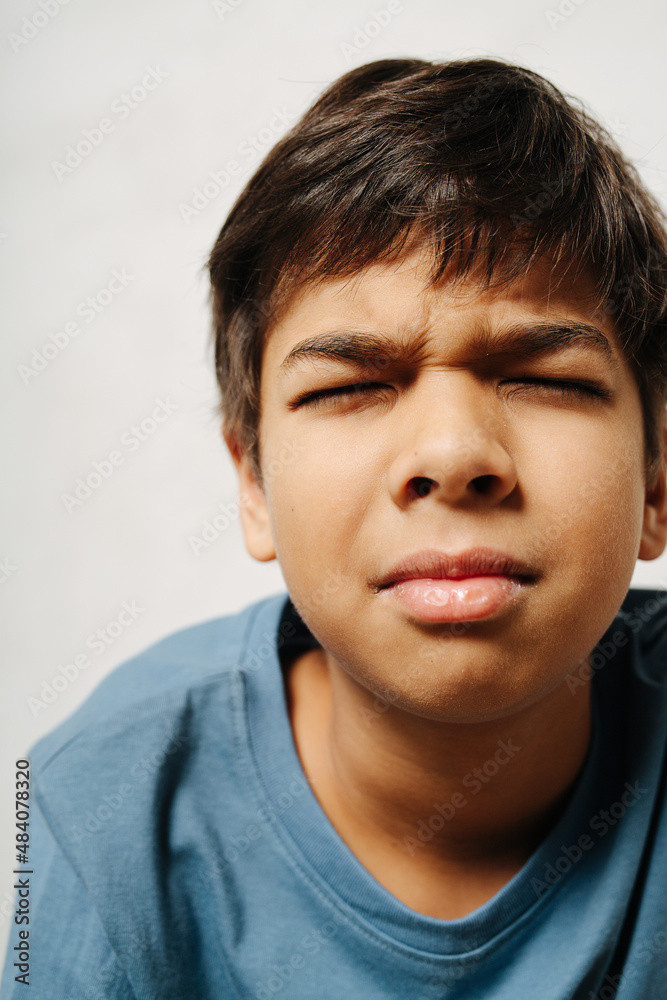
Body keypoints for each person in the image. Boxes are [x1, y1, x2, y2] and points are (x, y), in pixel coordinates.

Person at [3, 57, 667, 1000]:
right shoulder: (101, 807)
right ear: (255, 486)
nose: (448, 451)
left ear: (656, 482)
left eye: (546, 378)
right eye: (352, 386)